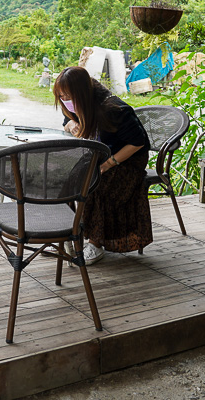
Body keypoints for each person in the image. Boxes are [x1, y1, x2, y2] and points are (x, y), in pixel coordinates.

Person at [53, 66, 152, 265]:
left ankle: (95, 244)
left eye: (67, 96)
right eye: (61, 96)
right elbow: (67, 119)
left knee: (95, 184)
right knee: (64, 177)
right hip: (100, 155)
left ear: (81, 93)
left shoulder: (114, 109)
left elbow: (138, 142)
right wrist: (72, 124)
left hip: (127, 160)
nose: (65, 101)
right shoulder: (81, 104)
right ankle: (69, 234)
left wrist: (109, 163)